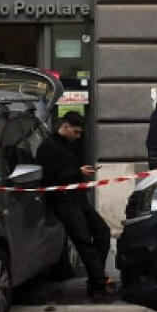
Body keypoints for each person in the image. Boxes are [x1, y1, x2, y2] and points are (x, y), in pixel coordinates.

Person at [36, 113, 112, 299]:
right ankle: (98, 284)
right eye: (76, 132)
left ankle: (96, 279)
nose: (78, 136)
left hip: (77, 197)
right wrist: (78, 171)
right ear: (66, 126)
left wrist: (79, 172)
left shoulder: (67, 145)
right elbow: (50, 177)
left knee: (103, 232)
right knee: (83, 240)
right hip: (62, 200)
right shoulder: (47, 147)